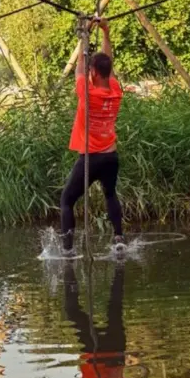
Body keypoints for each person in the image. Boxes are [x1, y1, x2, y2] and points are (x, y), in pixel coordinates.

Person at [60, 17, 125, 255]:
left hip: (91, 158)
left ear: (94, 73)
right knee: (110, 194)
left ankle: (67, 249)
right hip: (111, 156)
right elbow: (106, 62)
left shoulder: (87, 92)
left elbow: (79, 66)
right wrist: (105, 32)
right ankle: (118, 237)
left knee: (67, 200)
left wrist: (82, 39)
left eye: (91, 70)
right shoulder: (115, 90)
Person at [63, 259, 134, 378]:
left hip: (103, 354)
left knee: (111, 308)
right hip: (105, 355)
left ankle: (72, 272)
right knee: (111, 308)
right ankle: (117, 268)